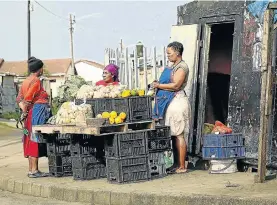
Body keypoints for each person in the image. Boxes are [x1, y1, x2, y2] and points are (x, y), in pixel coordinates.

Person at [152, 41, 191, 174]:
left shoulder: (182, 67)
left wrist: (158, 86)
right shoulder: (173, 66)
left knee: (179, 134)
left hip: (178, 102)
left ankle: (182, 166)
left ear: (177, 52)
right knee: (173, 135)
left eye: (169, 53)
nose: (167, 55)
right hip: (171, 103)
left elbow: (175, 85)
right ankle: (176, 164)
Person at [16, 57, 51, 178]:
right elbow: (28, 99)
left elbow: (19, 99)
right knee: (34, 140)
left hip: (29, 114)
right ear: (39, 69)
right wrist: (26, 111)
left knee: (29, 140)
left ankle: (31, 169)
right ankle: (34, 170)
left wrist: (23, 112)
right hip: (34, 114)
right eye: (42, 68)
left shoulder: (26, 81)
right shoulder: (36, 81)